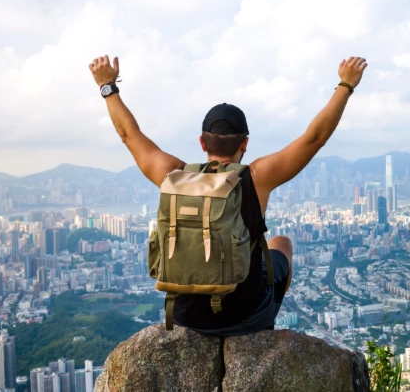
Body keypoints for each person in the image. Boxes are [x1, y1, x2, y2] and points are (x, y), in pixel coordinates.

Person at [89, 54, 367, 336]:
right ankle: (266, 326)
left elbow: (128, 134)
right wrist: (346, 84)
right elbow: (314, 138)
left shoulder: (173, 175)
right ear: (245, 143)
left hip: (187, 317)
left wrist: (107, 84)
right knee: (280, 242)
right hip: (246, 315)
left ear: (201, 142)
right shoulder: (256, 177)